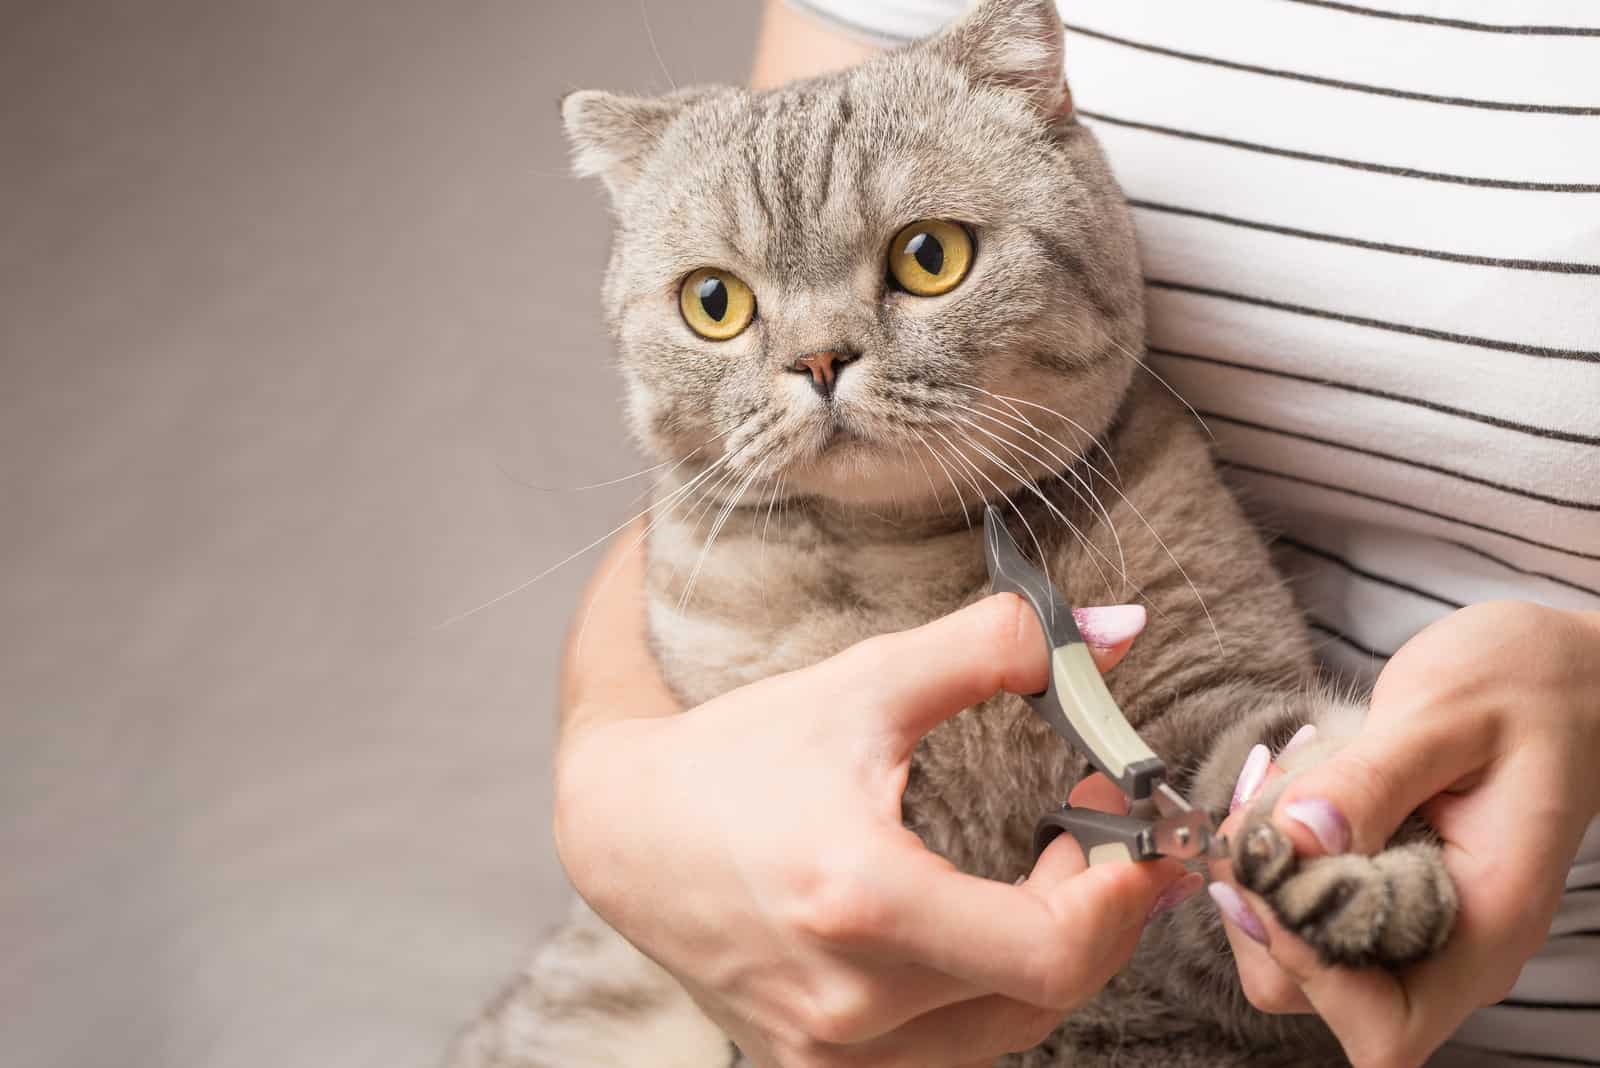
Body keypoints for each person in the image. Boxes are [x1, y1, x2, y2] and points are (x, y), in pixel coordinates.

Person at [554, 2, 1600, 1065]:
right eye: (720, 303)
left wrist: (1316, 829)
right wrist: (609, 791)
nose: (819, 355)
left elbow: (1236, 800)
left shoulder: (1141, 495)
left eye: (924, 255)